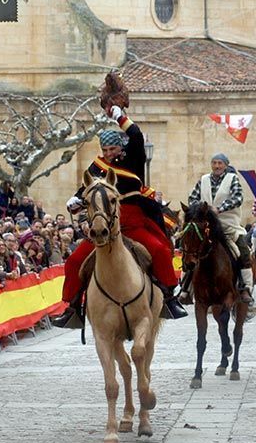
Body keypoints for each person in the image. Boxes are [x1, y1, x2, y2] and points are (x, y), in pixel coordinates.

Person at [55, 104, 188, 328]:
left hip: (133, 222)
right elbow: (86, 189)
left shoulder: (133, 159)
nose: (108, 154)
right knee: (75, 261)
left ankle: (168, 297)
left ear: (120, 147)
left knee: (159, 250)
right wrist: (75, 199)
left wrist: (118, 116)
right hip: (104, 225)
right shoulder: (97, 167)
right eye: (105, 150)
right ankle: (73, 307)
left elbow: (135, 134)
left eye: (112, 149)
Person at [182, 153, 255, 305]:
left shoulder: (232, 179)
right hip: (206, 226)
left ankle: (244, 287)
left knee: (242, 250)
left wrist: (220, 209)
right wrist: (201, 209)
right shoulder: (203, 180)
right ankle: (185, 288)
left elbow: (237, 198)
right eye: (214, 163)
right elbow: (192, 198)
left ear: (225, 165)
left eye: (220, 163)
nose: (216, 166)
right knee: (190, 249)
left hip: (228, 225)